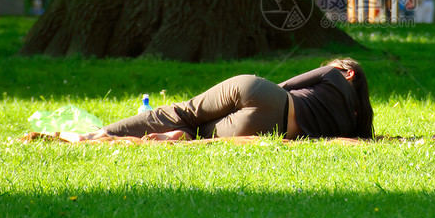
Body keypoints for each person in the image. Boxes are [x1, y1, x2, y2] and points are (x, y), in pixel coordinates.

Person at [74, 58, 373, 142]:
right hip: (268, 128)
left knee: (183, 111)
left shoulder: (334, 75)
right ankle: (178, 137)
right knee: (200, 132)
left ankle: (100, 134)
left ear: (349, 74)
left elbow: (287, 84)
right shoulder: (349, 126)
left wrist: (263, 93)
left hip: (265, 94)